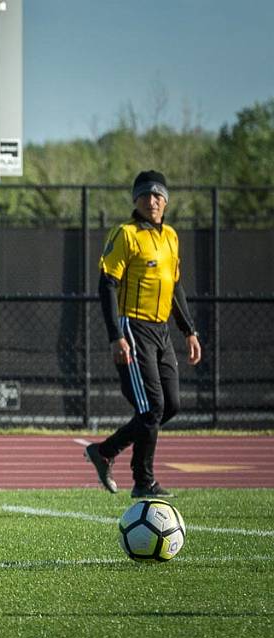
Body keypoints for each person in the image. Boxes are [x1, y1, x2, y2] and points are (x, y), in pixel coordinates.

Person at [83, 170, 202, 498]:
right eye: (146, 194)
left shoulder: (171, 237)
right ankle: (143, 481)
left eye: (158, 195)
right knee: (151, 408)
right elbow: (107, 284)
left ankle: (105, 451)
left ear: (166, 201)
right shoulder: (126, 234)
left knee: (170, 406)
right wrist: (115, 336)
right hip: (133, 329)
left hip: (162, 332)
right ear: (135, 199)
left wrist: (189, 331)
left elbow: (175, 287)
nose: (152, 200)